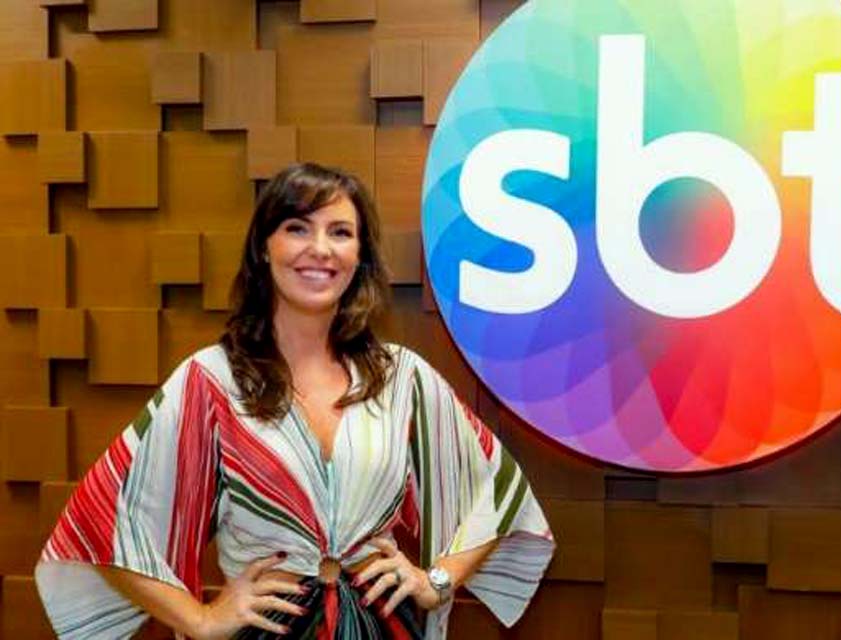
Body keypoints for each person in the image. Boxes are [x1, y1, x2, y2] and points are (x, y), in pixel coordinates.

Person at [34, 163, 555, 639]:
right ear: (264, 247)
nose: (321, 249)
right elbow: (100, 517)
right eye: (298, 228)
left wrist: (436, 581)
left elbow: (499, 491)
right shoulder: (212, 381)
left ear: (359, 257)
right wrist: (199, 619)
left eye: (341, 233)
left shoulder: (400, 378)